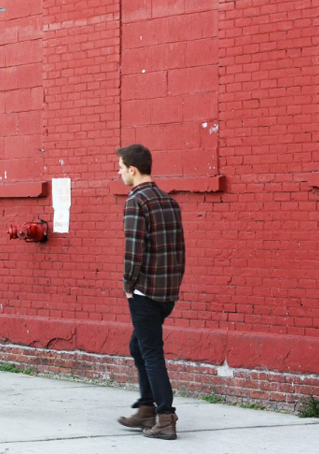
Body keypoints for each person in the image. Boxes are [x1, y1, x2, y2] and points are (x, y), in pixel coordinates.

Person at [115, 144, 185, 440]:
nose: (119, 173)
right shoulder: (169, 201)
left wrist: (128, 284)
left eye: (121, 168)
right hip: (166, 293)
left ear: (133, 169)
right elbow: (180, 250)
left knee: (151, 353)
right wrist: (174, 285)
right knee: (138, 346)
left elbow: (134, 249)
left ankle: (165, 417)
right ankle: (146, 408)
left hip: (144, 292)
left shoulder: (136, 201)